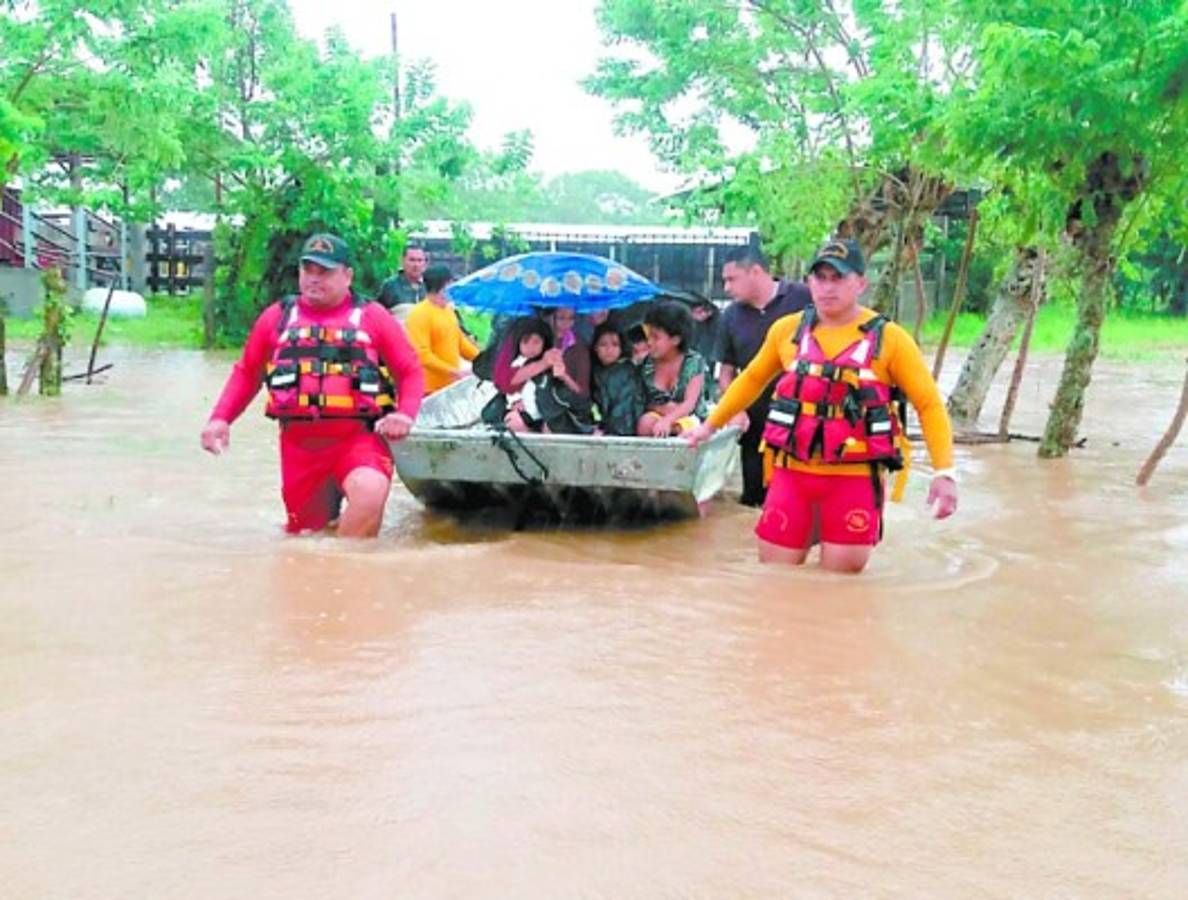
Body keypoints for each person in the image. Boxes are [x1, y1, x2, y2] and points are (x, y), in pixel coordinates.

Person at [687, 238, 958, 574]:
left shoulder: (890, 339)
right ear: (809, 282)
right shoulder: (786, 330)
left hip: (853, 481)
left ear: (860, 283)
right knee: (774, 581)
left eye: (838, 278)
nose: (827, 287)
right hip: (791, 477)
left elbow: (929, 404)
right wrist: (708, 427)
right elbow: (751, 380)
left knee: (839, 589)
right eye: (820, 277)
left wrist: (944, 472)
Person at [199, 233, 425, 538]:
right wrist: (220, 419)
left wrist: (405, 414)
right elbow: (247, 372)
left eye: (325, 272)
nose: (314, 279)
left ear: (348, 276)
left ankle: (349, 573)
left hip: (359, 438)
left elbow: (409, 370)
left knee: (369, 493)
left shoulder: (373, 317)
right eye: (308, 270)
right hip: (299, 447)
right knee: (305, 538)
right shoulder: (276, 318)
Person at [716, 245, 812, 506]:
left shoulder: (804, 299)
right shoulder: (730, 316)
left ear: (756, 272)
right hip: (755, 425)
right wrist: (734, 409)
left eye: (731, 279)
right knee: (754, 506)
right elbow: (726, 372)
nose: (726, 288)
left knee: (799, 502)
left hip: (803, 421)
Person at [637, 301, 707, 437]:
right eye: (649, 336)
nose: (649, 342)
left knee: (686, 430)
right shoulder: (646, 364)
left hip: (689, 417)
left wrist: (669, 420)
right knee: (645, 423)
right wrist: (661, 411)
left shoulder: (693, 361)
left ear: (675, 340)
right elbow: (641, 401)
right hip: (657, 416)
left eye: (655, 337)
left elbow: (689, 404)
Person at [405, 264, 479, 394]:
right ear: (443, 286)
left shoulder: (448, 311)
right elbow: (422, 355)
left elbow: (461, 344)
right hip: (428, 389)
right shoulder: (419, 314)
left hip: (450, 386)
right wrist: (453, 372)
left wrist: (484, 360)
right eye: (451, 284)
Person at [590, 321, 644, 436]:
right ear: (595, 348)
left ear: (621, 348)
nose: (609, 349)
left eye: (615, 344)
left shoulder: (626, 371)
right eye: (603, 344)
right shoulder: (596, 372)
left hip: (624, 431)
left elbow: (624, 409)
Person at [375, 243, 428, 309]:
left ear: (425, 264)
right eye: (412, 260)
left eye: (419, 260)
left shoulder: (432, 286)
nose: (416, 265)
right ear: (402, 261)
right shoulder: (391, 286)